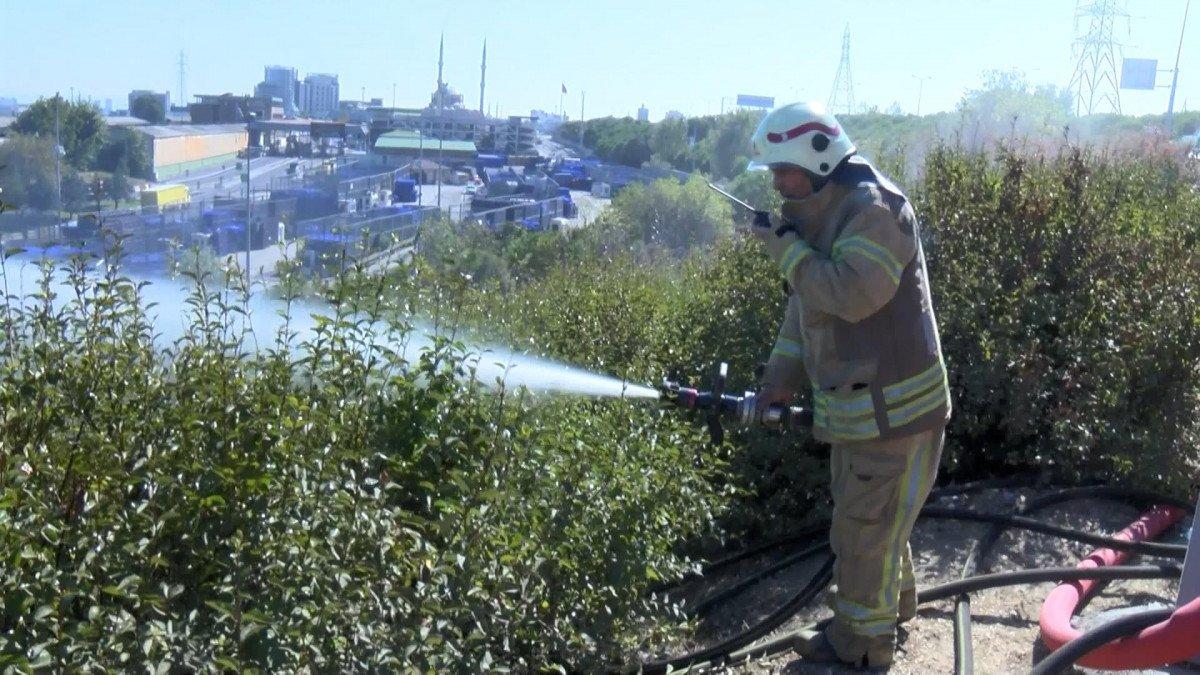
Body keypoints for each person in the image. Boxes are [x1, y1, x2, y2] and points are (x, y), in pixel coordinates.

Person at [747, 101, 951, 669]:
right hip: (862, 419)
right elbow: (806, 311)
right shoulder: (821, 215)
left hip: (895, 419)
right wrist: (777, 382)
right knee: (875, 526)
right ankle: (894, 610)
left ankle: (860, 649)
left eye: (783, 171)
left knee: (864, 534)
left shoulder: (874, 211)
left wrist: (785, 251)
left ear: (819, 159)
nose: (778, 184)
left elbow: (851, 295)